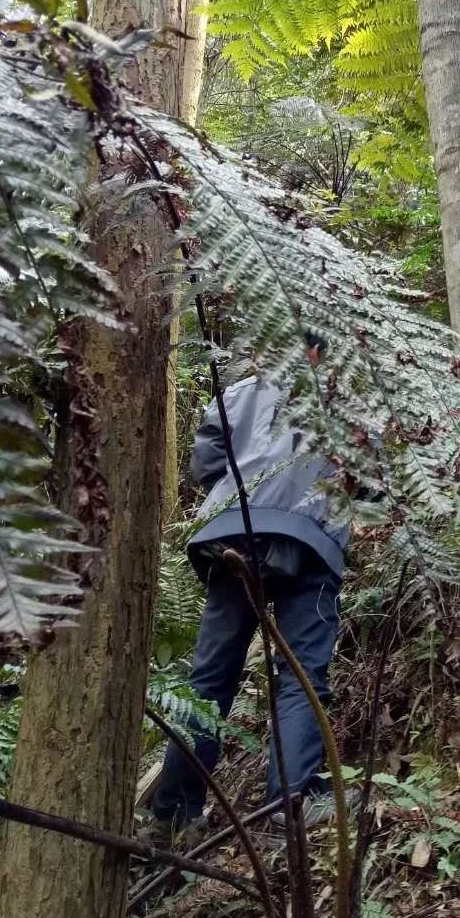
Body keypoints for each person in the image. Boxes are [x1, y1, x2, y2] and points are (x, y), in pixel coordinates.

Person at [147, 332, 348, 843]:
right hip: (310, 538)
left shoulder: (233, 396)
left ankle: (175, 813)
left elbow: (205, 468)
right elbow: (370, 477)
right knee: (301, 673)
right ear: (317, 353)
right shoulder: (341, 399)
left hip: (229, 536)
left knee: (210, 681)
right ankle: (291, 802)